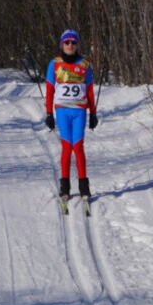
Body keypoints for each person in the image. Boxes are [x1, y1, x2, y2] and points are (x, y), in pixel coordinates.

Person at [45, 29, 98, 202]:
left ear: (77, 45)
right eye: (67, 42)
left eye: (73, 42)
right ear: (62, 44)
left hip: (79, 111)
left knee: (78, 147)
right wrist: (48, 113)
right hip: (62, 111)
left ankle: (84, 187)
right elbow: (49, 91)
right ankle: (65, 187)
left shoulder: (84, 64)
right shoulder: (54, 64)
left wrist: (93, 113)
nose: (70, 45)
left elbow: (89, 91)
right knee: (67, 148)